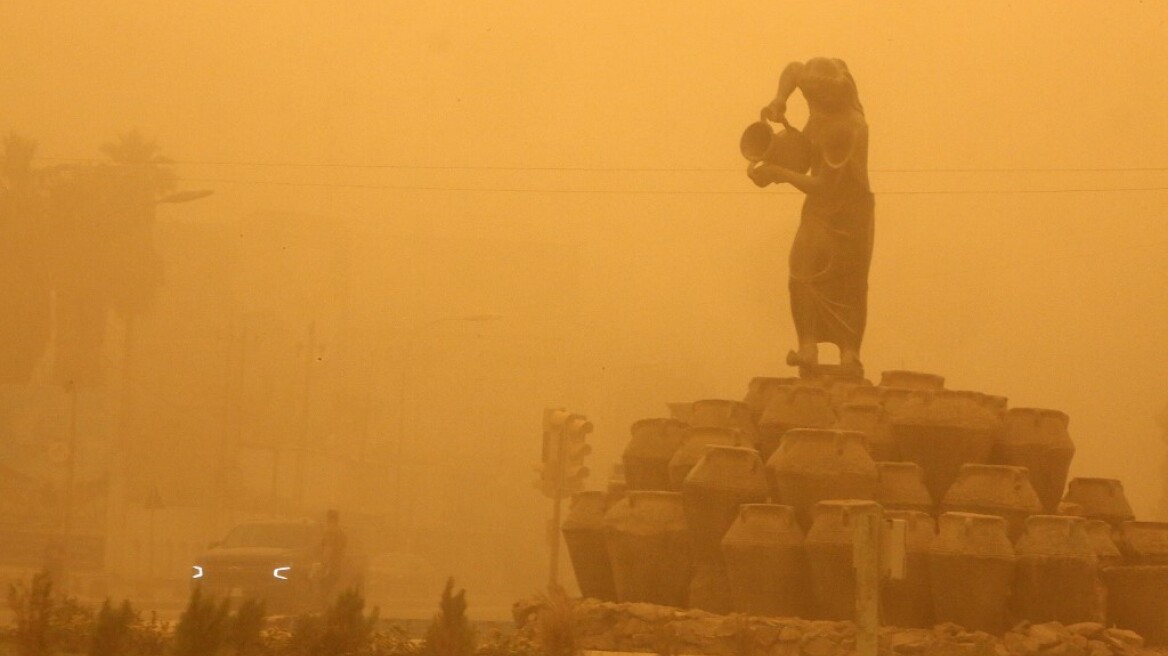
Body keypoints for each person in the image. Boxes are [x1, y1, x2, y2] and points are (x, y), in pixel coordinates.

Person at [748, 57, 874, 374]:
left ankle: (849, 353)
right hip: (819, 210)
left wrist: (779, 173)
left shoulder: (848, 128)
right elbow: (793, 68)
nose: (814, 103)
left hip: (849, 211)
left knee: (849, 281)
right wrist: (780, 99)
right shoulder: (822, 82)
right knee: (800, 270)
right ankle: (807, 347)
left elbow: (823, 185)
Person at [317, 509, 348, 600]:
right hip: (337, 564)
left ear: (329, 518)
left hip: (330, 565)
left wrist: (324, 564)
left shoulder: (330, 532)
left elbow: (328, 548)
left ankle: (324, 607)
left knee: (325, 589)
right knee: (333, 588)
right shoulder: (340, 532)